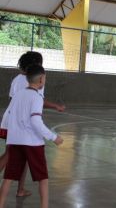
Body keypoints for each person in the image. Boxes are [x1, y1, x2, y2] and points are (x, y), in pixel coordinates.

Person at [0, 51, 65, 197]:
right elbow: (38, 102)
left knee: (16, 156)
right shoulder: (36, 81)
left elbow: (13, 102)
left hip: (10, 120)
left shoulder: (17, 79)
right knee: (10, 156)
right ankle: (19, 189)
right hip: (21, 124)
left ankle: (20, 189)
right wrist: (56, 106)